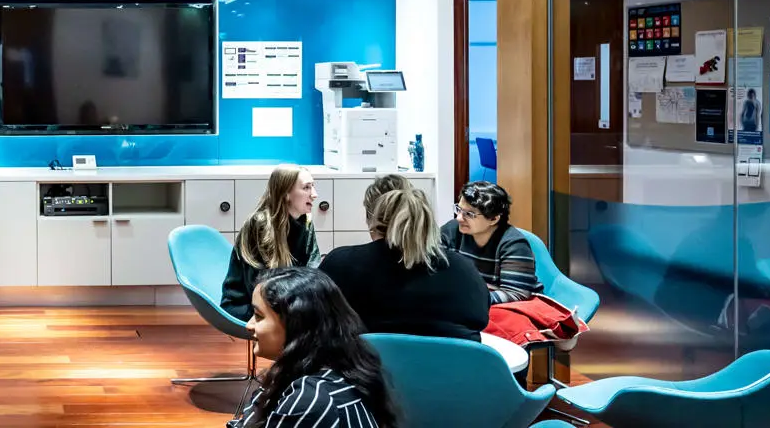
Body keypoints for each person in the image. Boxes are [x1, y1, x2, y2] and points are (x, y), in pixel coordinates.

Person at [230, 267, 398, 428]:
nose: (249, 325)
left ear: (297, 325)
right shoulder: (336, 371)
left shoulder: (309, 399)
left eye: (259, 316)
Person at [320, 182, 490, 341]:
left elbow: (316, 318)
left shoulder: (339, 263)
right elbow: (480, 319)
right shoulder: (464, 269)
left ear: (372, 222)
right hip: (454, 369)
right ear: (428, 222)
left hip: (365, 368)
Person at [222, 165, 321, 320]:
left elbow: (313, 270)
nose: (314, 195)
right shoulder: (259, 225)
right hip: (247, 304)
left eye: (313, 186)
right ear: (286, 193)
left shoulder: (306, 222)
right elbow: (257, 288)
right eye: (306, 188)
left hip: (287, 300)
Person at [440, 181, 544, 304]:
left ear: (494, 219)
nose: (459, 218)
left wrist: (468, 300)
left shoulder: (514, 244)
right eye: (459, 209)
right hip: (469, 299)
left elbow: (516, 293)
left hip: (507, 304)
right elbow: (431, 266)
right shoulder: (452, 230)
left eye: (469, 214)